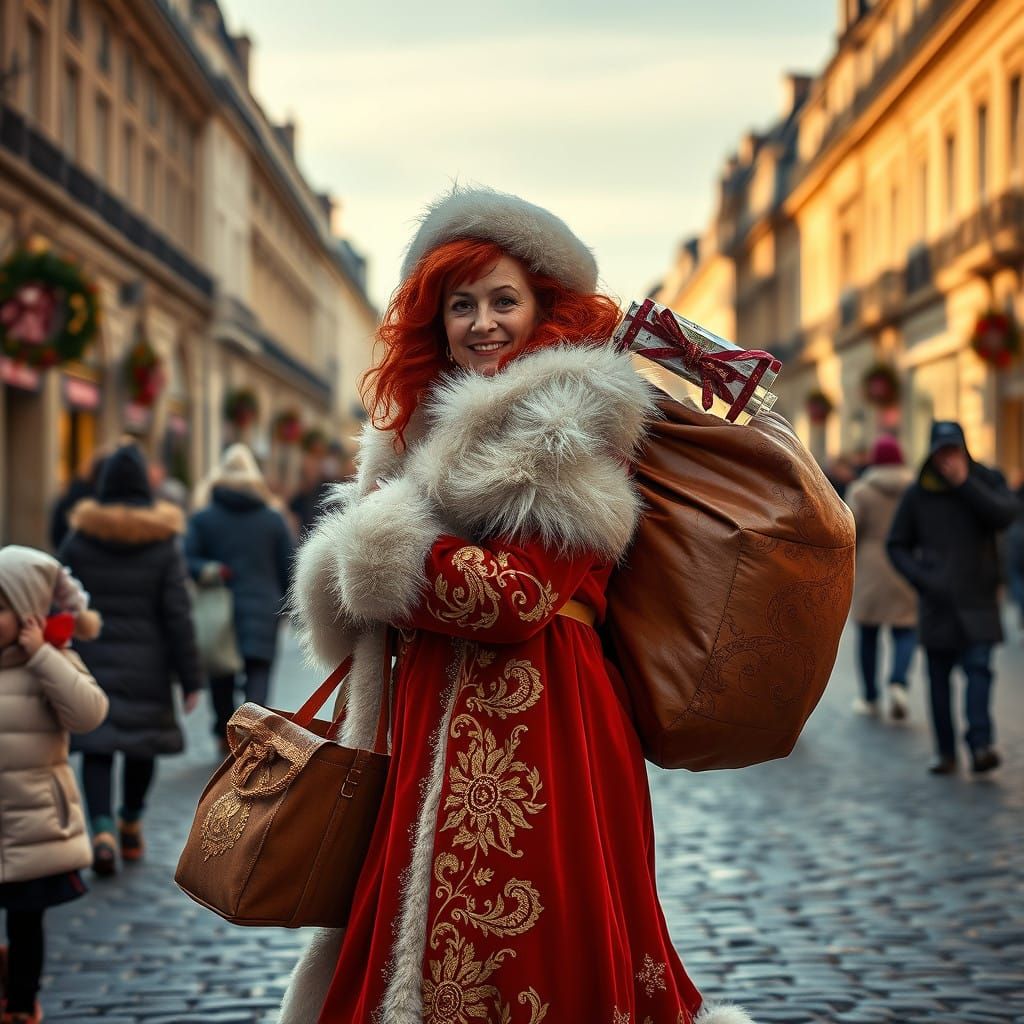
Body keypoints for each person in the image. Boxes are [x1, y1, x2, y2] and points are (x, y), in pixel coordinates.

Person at [280, 187, 750, 1024]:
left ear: (543, 312)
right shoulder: (415, 429)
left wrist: (381, 545)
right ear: (436, 319)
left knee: (528, 951)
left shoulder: (565, 418)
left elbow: (518, 598)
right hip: (433, 718)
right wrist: (366, 554)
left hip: (543, 725)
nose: (484, 323)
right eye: (462, 305)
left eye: (505, 300)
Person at [58, 444, 202, 873]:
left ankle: (100, 828)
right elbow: (178, 614)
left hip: (91, 658)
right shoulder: (162, 542)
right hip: (149, 665)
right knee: (142, 746)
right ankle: (131, 822)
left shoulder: (79, 539)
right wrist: (191, 678)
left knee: (97, 747)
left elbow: (60, 600)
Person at [0, 546, 108, 1024]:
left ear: (26, 613)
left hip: (34, 818)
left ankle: (22, 1002)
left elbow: (89, 713)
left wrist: (43, 656)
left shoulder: (52, 660)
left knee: (26, 920)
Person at [887, 421, 1021, 775]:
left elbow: (1005, 515)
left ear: (964, 451)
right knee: (939, 682)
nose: (947, 460)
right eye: (941, 452)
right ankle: (945, 753)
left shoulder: (986, 479)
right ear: (932, 454)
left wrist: (965, 485)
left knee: (979, 673)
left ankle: (980, 746)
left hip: (978, 600)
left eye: (954, 451)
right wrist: (923, 579)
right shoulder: (919, 493)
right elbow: (896, 545)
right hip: (938, 604)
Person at [185, 444, 295, 748]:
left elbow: (186, 558)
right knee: (258, 671)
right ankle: (251, 735)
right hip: (263, 607)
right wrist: (290, 607)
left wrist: (209, 570)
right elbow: (290, 564)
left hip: (218, 610)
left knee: (221, 674)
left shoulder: (204, 518)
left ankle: (225, 731)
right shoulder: (273, 519)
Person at [845, 436, 918, 719]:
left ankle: (870, 697)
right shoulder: (914, 488)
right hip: (906, 562)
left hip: (871, 566)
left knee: (868, 633)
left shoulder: (862, 490)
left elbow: (851, 528)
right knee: (906, 629)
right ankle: (899, 682)